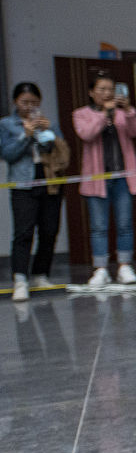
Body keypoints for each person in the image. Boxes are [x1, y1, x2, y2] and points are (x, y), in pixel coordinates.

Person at [73, 69, 136, 285]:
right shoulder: (81, 113)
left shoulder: (122, 112)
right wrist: (105, 114)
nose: (107, 93)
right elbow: (87, 134)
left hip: (123, 177)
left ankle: (124, 266)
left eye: (110, 89)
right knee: (99, 226)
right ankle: (101, 269)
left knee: (124, 223)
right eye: (101, 89)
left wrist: (129, 110)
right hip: (97, 180)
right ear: (92, 92)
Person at [1, 82, 69, 301]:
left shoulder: (48, 122)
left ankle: (41, 274)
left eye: (34, 102)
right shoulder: (6, 124)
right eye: (24, 102)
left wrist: (47, 132)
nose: (29, 106)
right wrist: (26, 135)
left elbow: (59, 151)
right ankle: (20, 278)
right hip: (22, 184)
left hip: (49, 181)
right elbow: (8, 154)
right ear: (15, 102)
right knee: (23, 232)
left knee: (49, 230)